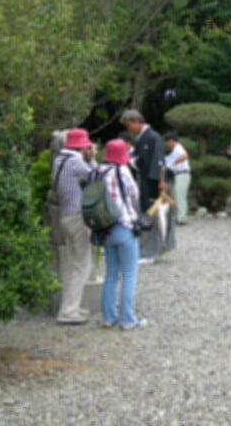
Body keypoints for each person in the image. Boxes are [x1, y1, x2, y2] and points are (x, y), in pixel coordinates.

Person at [99, 139, 147, 331]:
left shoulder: (98, 171)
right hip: (124, 225)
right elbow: (135, 194)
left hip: (104, 228)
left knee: (110, 274)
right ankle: (127, 319)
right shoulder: (123, 171)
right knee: (128, 274)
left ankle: (108, 317)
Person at [52, 129, 97, 325]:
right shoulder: (76, 162)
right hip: (78, 217)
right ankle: (69, 311)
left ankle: (71, 306)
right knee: (83, 264)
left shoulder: (58, 160)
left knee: (72, 264)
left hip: (65, 215)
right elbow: (97, 177)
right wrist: (92, 158)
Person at [120, 109, 164, 263]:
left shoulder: (153, 137)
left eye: (129, 125)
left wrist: (159, 181)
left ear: (137, 121)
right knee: (143, 215)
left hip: (150, 182)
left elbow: (157, 162)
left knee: (148, 215)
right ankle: (146, 250)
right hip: (142, 180)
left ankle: (148, 253)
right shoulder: (142, 138)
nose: (129, 129)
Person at [162, 131, 191, 226]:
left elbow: (185, 156)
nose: (167, 144)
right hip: (178, 175)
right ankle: (179, 216)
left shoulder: (178, 148)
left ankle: (181, 218)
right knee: (177, 195)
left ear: (171, 141)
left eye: (167, 142)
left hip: (182, 173)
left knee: (180, 196)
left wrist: (174, 162)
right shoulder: (174, 150)